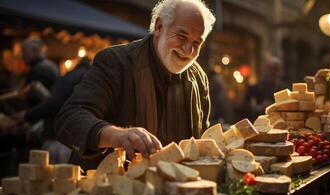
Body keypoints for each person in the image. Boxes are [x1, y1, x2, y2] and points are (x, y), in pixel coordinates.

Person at [55, 0, 216, 170]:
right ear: (159, 26)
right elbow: (69, 119)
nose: (188, 50)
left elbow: (201, 141)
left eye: (197, 43)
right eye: (182, 36)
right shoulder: (115, 62)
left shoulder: (199, 77)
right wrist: (117, 135)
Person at [242, 57, 287, 121]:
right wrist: (259, 107)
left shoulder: (284, 89)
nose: (272, 72)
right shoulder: (254, 88)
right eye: (270, 68)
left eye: (275, 69)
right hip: (258, 122)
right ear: (265, 70)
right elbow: (245, 107)